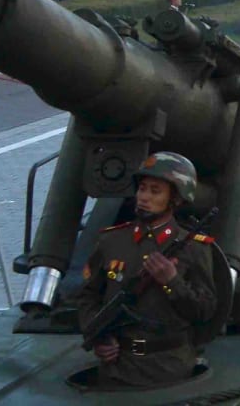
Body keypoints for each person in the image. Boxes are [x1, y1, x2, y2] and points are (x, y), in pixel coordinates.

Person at [71, 152, 224, 389]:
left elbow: (205, 311)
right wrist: (98, 337)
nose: (144, 197)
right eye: (142, 189)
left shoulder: (194, 247)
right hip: (117, 370)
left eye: (155, 191)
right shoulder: (112, 241)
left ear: (175, 199)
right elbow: (88, 296)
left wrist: (171, 282)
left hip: (170, 370)